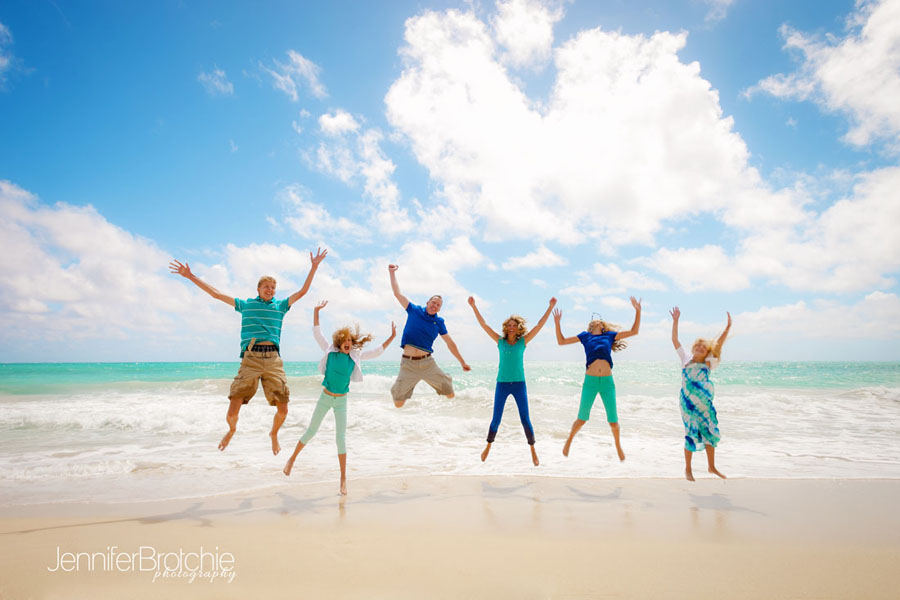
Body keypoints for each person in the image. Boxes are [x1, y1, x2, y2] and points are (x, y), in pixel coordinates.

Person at [169, 248, 327, 454]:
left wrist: (314, 266)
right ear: (258, 288)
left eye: (273, 287)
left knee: (283, 408)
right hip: (250, 359)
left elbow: (302, 292)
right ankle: (232, 430)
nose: (270, 290)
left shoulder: (280, 306)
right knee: (233, 409)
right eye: (266, 286)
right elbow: (216, 294)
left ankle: (274, 433)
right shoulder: (246, 305)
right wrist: (190, 276)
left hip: (273, 360)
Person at [283, 301, 395, 495]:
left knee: (340, 439)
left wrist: (392, 336)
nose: (348, 343)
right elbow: (318, 333)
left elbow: (376, 351)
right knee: (311, 431)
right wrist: (316, 311)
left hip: (341, 401)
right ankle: (292, 459)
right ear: (339, 342)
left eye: (350, 341)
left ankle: (343, 479)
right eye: (344, 340)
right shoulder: (330, 350)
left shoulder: (355, 356)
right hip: (325, 397)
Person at [468, 296, 556, 466]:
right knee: (496, 419)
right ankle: (488, 446)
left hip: (518, 384)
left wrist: (550, 307)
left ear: (518, 328)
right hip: (502, 384)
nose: (511, 328)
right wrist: (474, 306)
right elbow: (484, 325)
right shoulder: (499, 341)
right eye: (508, 325)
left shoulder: (523, 341)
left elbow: (539, 326)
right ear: (505, 328)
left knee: (525, 418)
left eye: (514, 326)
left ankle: (533, 450)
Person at [553, 298, 641, 461]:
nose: (596, 321)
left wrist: (638, 311)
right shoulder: (585, 336)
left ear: (602, 324)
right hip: (590, 382)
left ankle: (618, 446)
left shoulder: (610, 336)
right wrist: (557, 323)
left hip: (607, 383)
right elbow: (561, 341)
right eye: (593, 320)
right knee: (582, 419)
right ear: (590, 325)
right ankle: (569, 441)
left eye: (598, 320)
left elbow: (634, 331)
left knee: (613, 422)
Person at [387, 264, 471, 407]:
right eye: (433, 302)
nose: (435, 305)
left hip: (428, 364)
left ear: (440, 308)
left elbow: (450, 343)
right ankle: (398, 388)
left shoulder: (439, 322)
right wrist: (392, 273)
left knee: (450, 393)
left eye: (438, 305)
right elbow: (397, 293)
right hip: (408, 365)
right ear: (428, 302)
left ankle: (446, 379)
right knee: (398, 404)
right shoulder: (414, 310)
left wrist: (462, 362)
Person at [670, 306, 731, 481]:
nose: (699, 347)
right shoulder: (685, 359)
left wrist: (726, 329)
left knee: (709, 433)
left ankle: (711, 466)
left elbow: (718, 346)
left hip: (705, 406)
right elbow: (674, 339)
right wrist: (675, 321)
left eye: (703, 347)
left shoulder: (709, 364)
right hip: (688, 405)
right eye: (697, 345)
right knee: (690, 433)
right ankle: (688, 469)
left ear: (706, 353)